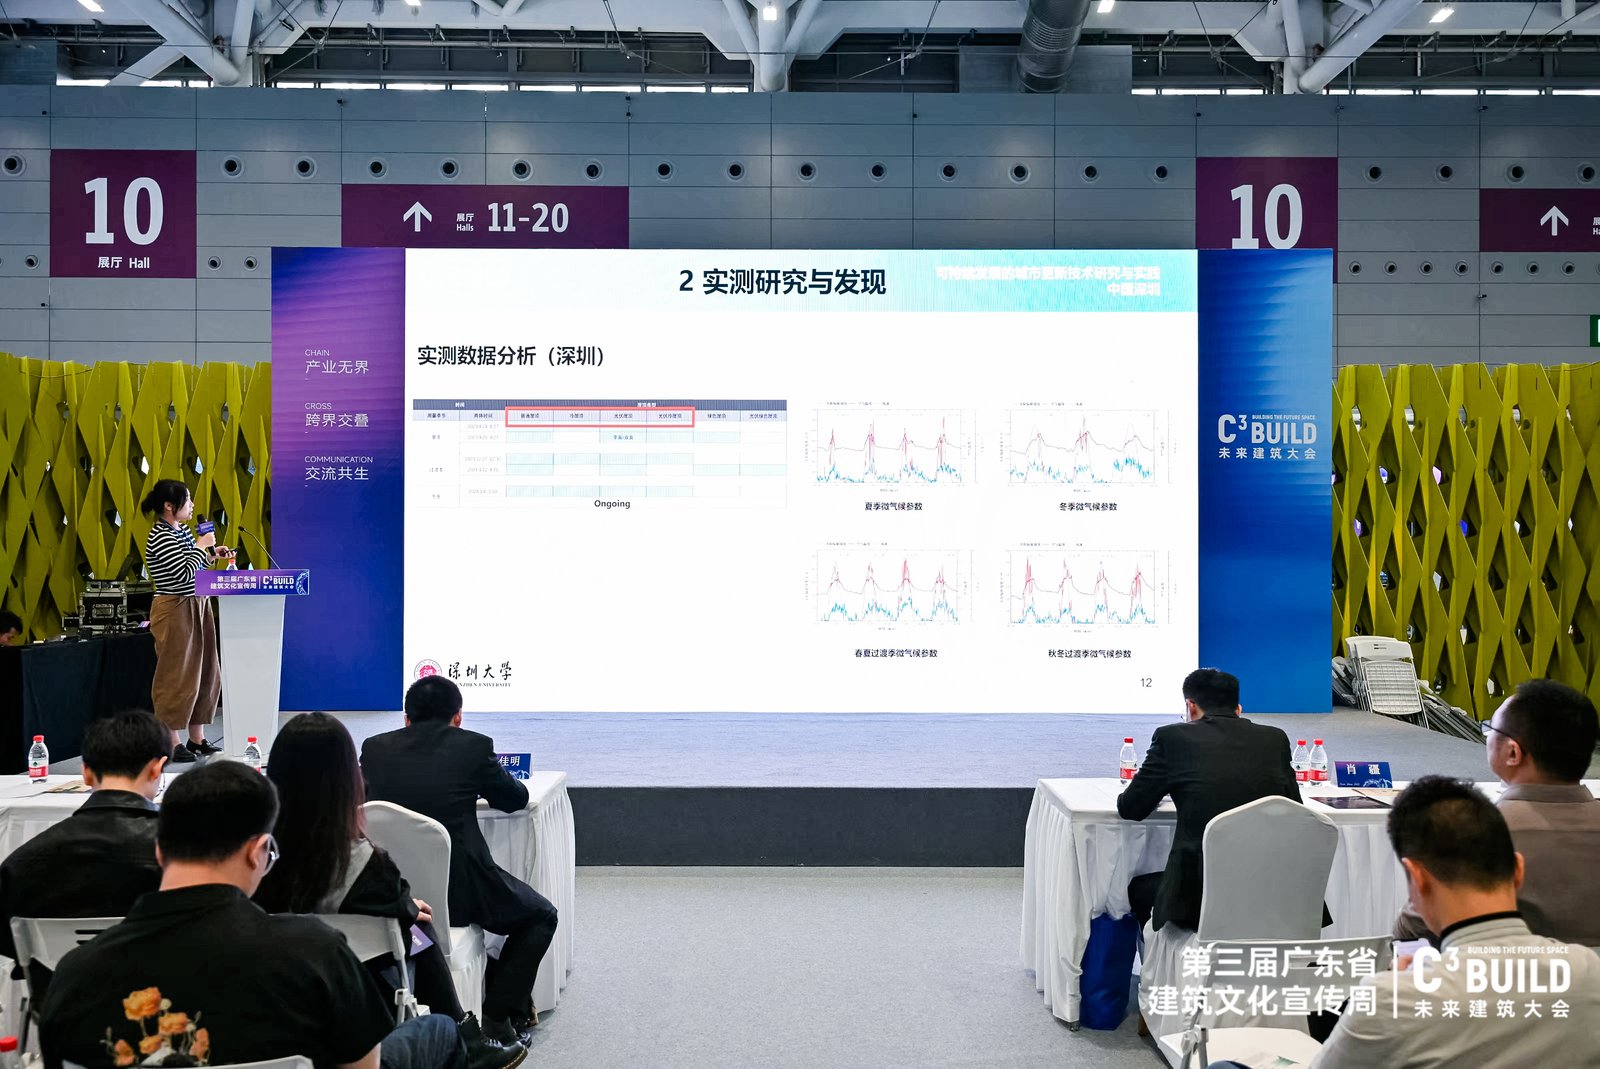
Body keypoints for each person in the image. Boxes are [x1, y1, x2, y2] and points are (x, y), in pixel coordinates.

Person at [38, 761, 465, 1069]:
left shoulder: (75, 974)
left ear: (159, 851)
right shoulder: (314, 952)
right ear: (258, 852)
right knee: (441, 1030)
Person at [256, 713, 524, 1069]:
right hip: (361, 993)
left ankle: (468, 1039)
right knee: (418, 931)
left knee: (412, 923)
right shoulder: (362, 861)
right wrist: (407, 908)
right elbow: (398, 907)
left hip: (273, 990)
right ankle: (464, 1035)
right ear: (348, 779)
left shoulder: (256, 855)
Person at [1308, 777, 1600, 1068]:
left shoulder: (1392, 1000)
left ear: (1418, 879)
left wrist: (1393, 988)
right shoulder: (1588, 972)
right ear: (1518, 870)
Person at [362, 677, 558, 1048]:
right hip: (463, 890)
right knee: (541, 916)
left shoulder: (373, 749)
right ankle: (497, 1016)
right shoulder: (474, 747)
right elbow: (514, 799)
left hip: (393, 894)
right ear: (458, 717)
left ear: (406, 718)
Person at [1396, 678, 1600, 945]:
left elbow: (1412, 928)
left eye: (1490, 728)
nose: (1487, 735)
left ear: (1513, 753)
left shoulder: (1473, 833)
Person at [1117, 668, 1303, 932]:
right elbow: (1295, 807)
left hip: (1196, 899)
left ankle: (1163, 958)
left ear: (1190, 706)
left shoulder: (1172, 738)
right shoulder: (1275, 739)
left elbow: (1131, 808)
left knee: (1136, 889)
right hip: (1272, 890)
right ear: (1238, 708)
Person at [0, 711, 168, 963]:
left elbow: (8, 939)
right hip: (161, 985)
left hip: (57, 985)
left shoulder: (24, 860)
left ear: (86, 773)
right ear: (157, 768)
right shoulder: (182, 854)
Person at [140, 479, 231, 765]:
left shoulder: (182, 532)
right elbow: (182, 573)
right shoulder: (160, 535)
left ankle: (197, 738)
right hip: (174, 607)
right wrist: (202, 547)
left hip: (197, 603)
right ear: (169, 505)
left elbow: (195, 566)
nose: (192, 505)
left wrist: (212, 554)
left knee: (205, 671)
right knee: (176, 674)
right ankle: (171, 740)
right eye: (187, 500)